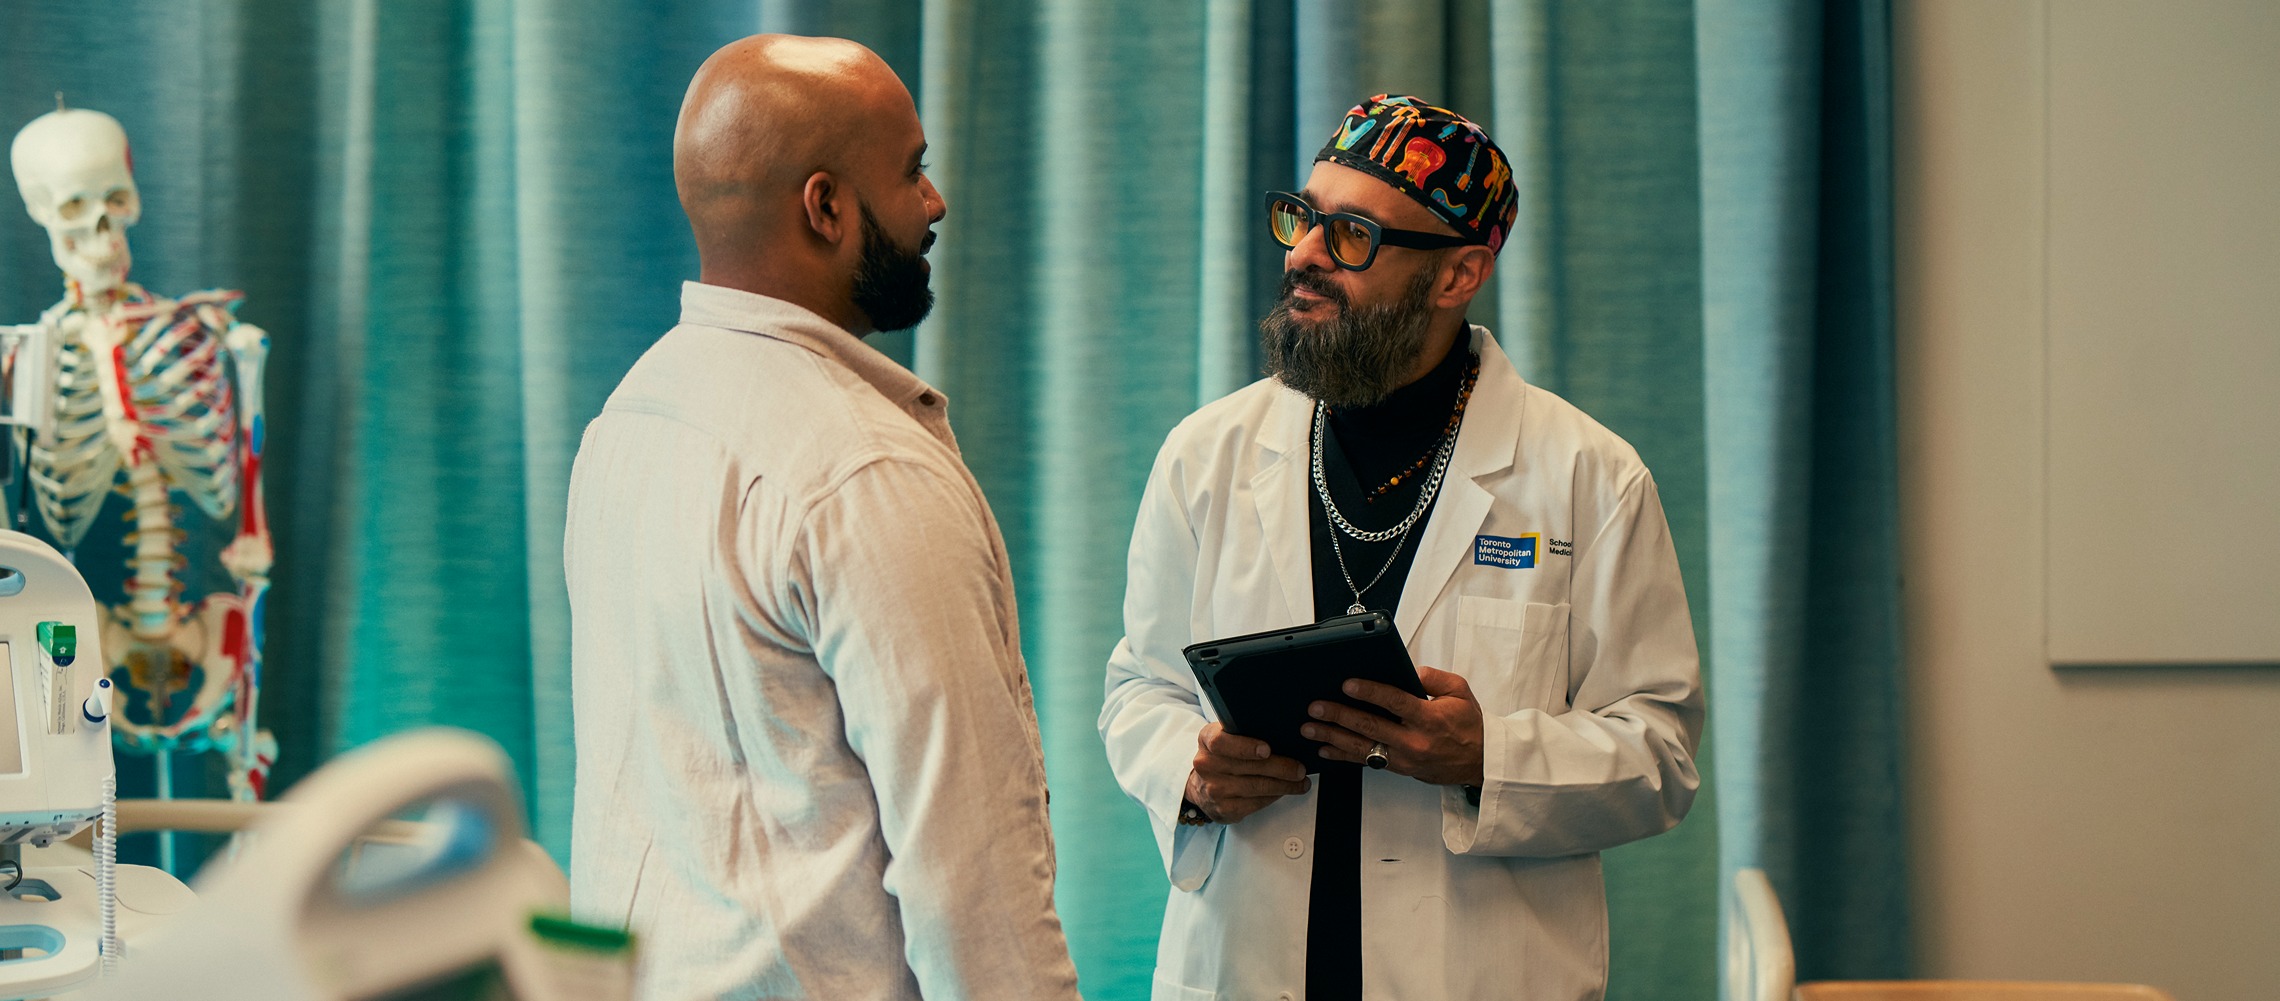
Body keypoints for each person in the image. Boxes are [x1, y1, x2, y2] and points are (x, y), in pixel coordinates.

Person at [1099, 95, 1704, 1001]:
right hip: (1239, 964)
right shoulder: (1207, 453)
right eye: (1302, 218)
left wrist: (1486, 755)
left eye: (1351, 235)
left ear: (1459, 274)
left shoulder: (1590, 476)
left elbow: (1660, 753)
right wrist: (1192, 767)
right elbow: (1137, 689)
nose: (1301, 254)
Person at [565, 35, 1082, 1001]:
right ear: (827, 206)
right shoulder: (864, 470)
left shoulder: (627, 421)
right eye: (913, 172)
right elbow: (971, 880)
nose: (934, 204)